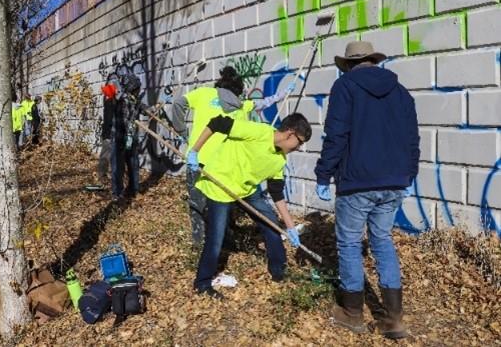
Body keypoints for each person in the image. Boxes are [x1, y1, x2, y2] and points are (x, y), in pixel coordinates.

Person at [314, 41, 419, 339]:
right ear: (374, 61)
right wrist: (409, 174)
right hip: (395, 181)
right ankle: (394, 319)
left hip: (357, 181)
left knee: (348, 243)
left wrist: (323, 175)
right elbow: (413, 138)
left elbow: (336, 135)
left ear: (348, 64)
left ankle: (352, 313)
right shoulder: (401, 92)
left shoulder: (345, 87)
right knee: (382, 239)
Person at [188, 113, 311, 298]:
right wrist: (195, 151)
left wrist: (291, 227)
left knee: (272, 225)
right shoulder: (257, 132)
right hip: (220, 186)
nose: (299, 148)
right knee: (216, 238)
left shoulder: (280, 160)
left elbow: (277, 194)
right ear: (289, 133)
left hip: (246, 190)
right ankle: (202, 283)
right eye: (299, 142)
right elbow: (217, 123)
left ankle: (279, 271)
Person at [171, 66, 295, 248]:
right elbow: (263, 103)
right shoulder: (240, 105)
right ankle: (225, 242)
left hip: (197, 159)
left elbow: (178, 104)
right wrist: (282, 94)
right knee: (224, 203)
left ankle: (199, 246)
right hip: (223, 165)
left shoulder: (203, 93)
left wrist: (182, 132)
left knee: (198, 205)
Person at [105, 71, 149, 201]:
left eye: (138, 89)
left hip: (131, 138)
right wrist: (114, 79)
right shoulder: (118, 98)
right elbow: (110, 84)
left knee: (133, 164)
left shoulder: (135, 101)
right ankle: (117, 193)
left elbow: (145, 109)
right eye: (135, 89)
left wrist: (154, 110)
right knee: (117, 167)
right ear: (130, 88)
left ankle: (134, 190)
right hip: (118, 137)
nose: (137, 91)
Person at [97, 82, 116, 184]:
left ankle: (104, 174)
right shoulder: (110, 103)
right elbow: (109, 120)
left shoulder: (109, 102)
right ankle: (102, 175)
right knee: (105, 155)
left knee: (107, 155)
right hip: (108, 134)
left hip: (107, 133)